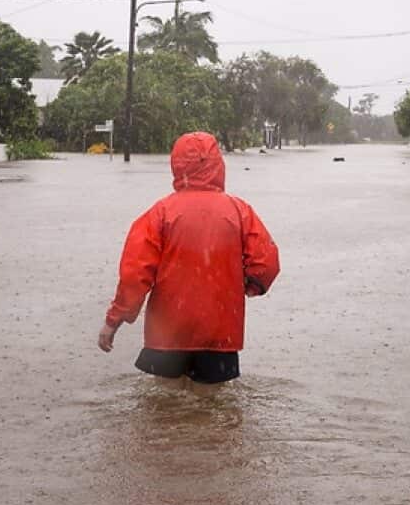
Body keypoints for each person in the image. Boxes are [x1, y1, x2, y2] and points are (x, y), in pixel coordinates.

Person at [97, 131, 280, 385]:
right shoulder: (240, 212)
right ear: (218, 164)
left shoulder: (159, 214)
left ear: (176, 164)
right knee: (212, 407)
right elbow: (266, 263)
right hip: (220, 335)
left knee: (165, 404)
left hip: (167, 335)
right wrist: (247, 286)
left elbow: (134, 275)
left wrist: (113, 321)